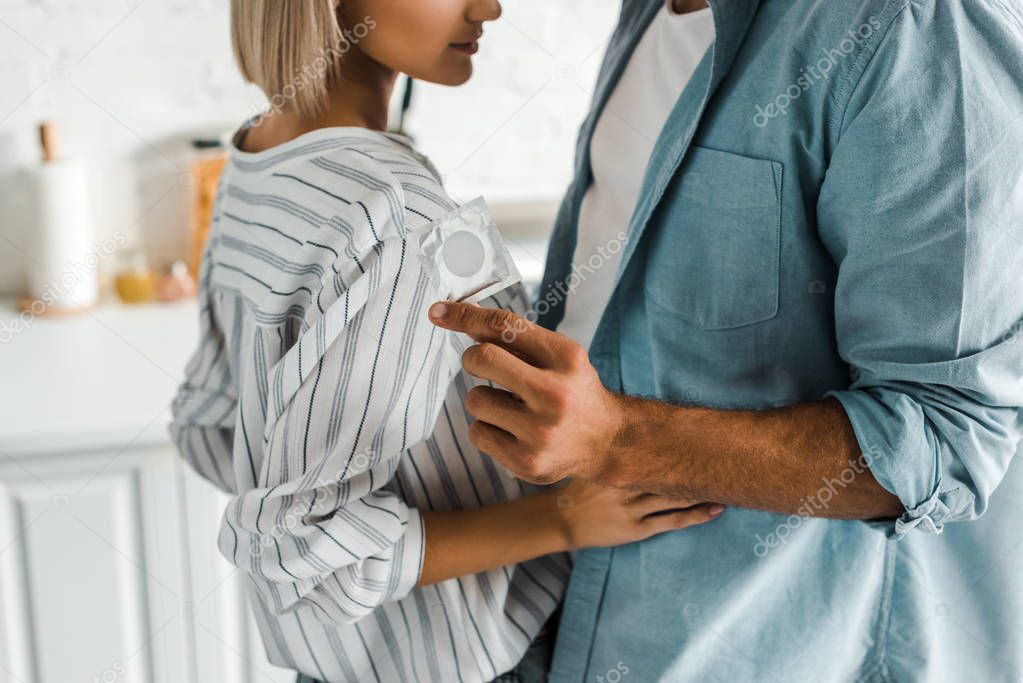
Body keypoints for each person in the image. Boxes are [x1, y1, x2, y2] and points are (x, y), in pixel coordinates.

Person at [428, 0, 1023, 680]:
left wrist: (617, 439)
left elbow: (947, 433)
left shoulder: (917, 25)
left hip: (773, 651)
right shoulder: (650, 12)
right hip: (563, 624)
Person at [168, 1, 725, 682]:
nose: (489, 6)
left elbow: (208, 425)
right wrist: (564, 518)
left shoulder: (259, 155)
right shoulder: (392, 213)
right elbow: (307, 545)